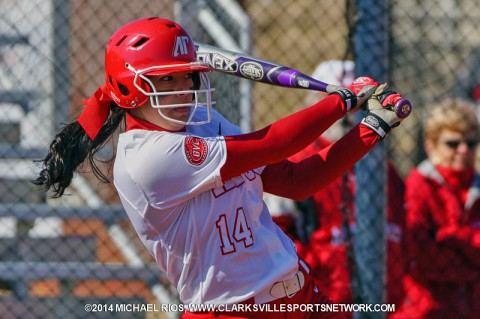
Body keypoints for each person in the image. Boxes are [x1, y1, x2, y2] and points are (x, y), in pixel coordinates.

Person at [33, 17, 411, 319]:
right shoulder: (145, 157)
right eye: (165, 79)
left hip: (300, 296)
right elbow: (275, 142)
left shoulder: (202, 119)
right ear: (129, 87)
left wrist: (371, 127)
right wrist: (341, 101)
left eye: (186, 75)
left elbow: (297, 181)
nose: (182, 88)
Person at [268, 60, 406, 314]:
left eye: (360, 103)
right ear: (314, 103)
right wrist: (320, 262)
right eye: (344, 101)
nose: (350, 113)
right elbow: (274, 235)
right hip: (320, 296)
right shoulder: (295, 163)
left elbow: (403, 231)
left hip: (383, 298)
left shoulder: (381, 167)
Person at [393, 98, 480, 319]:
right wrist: (472, 267)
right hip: (426, 308)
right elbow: (421, 258)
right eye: (452, 143)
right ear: (430, 145)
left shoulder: (476, 186)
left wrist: (450, 235)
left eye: (470, 143)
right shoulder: (418, 185)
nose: (463, 150)